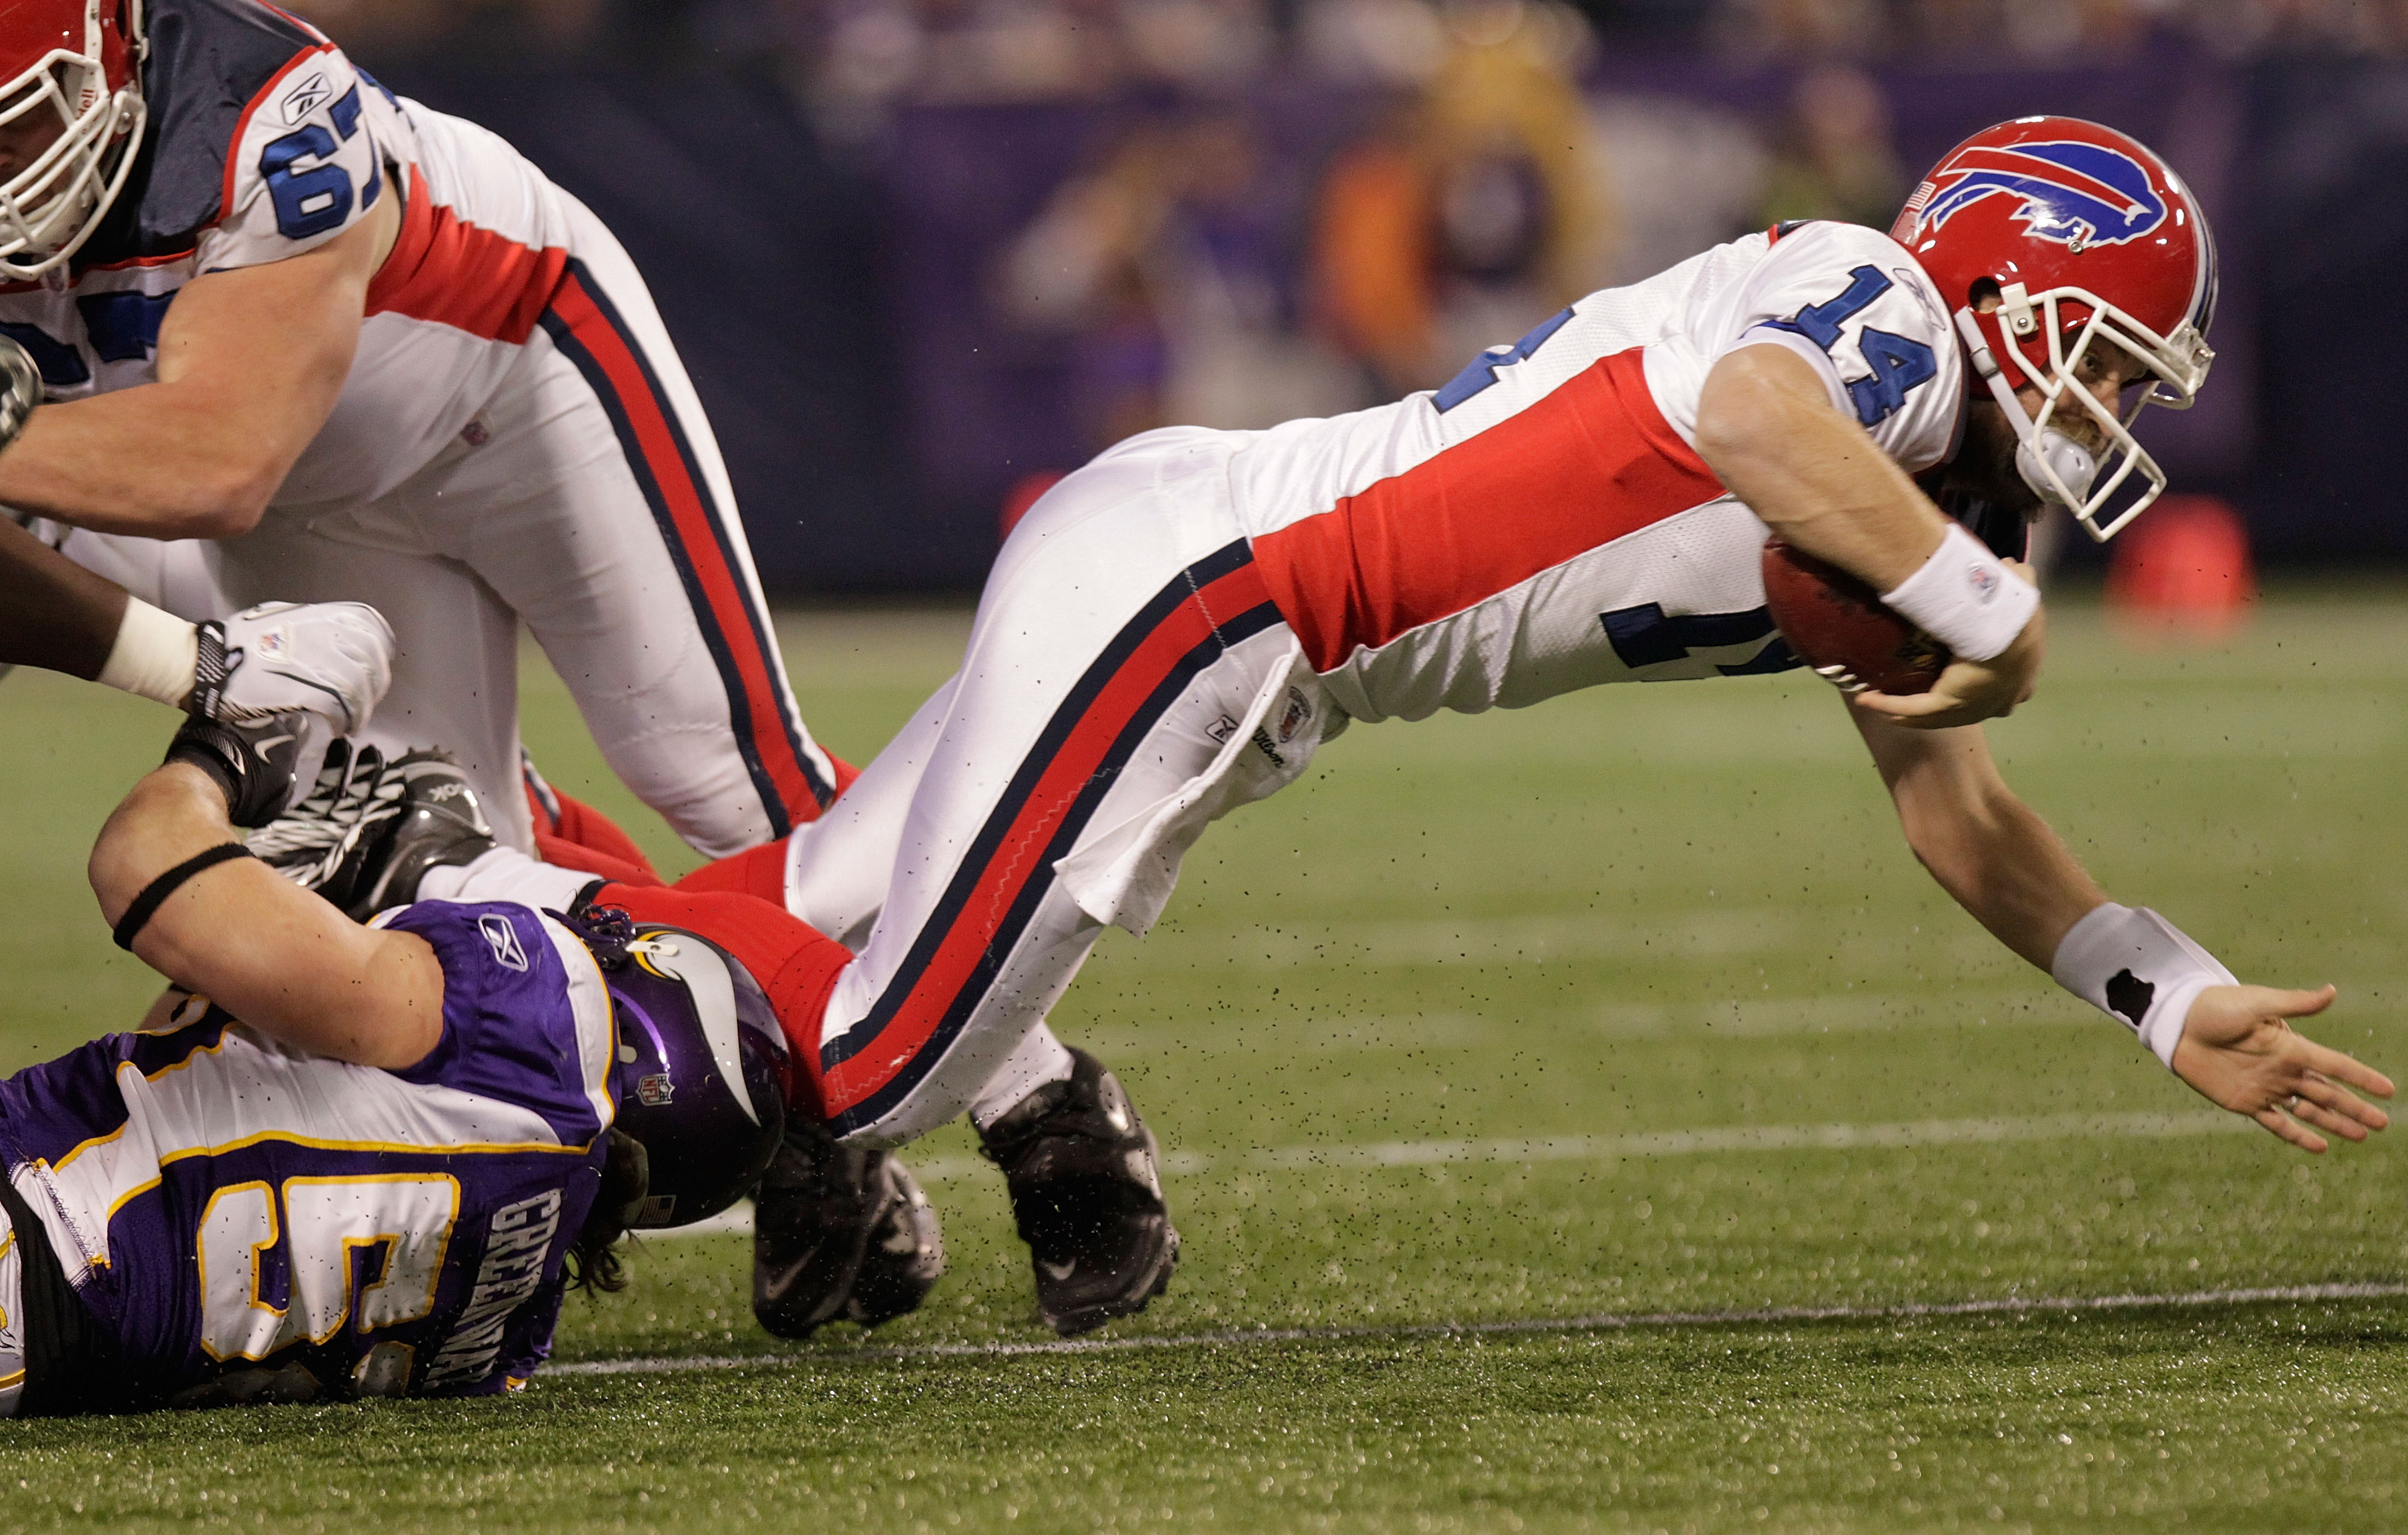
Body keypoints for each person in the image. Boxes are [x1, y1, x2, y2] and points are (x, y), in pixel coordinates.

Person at [662, 115, 2391, 1333]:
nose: (2108, 411)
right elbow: (1747, 415)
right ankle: (475, 1166)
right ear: (2008, 293)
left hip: (1217, 598)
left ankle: (502, 914)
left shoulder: (1923, 501)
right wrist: (1982, 606)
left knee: (807, 899)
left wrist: (2161, 995)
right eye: (2102, 360)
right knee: (875, 1068)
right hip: (1213, 598)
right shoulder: (1885, 323)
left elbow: (1955, 817)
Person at [0, 0, 849, 861]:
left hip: (514, 362)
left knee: (721, 778)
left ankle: (924, 961)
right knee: (430, 855)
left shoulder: (252, 105)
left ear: (110, 54)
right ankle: (651, 980)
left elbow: (218, 461)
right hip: (315, 497)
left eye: (17, 114)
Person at [0, 706, 790, 1415]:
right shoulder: (497, 1344)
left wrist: (224, 747)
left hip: (27, 1209)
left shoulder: (542, 1008)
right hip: (40, 1355)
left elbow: (137, 864)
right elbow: (182, 1068)